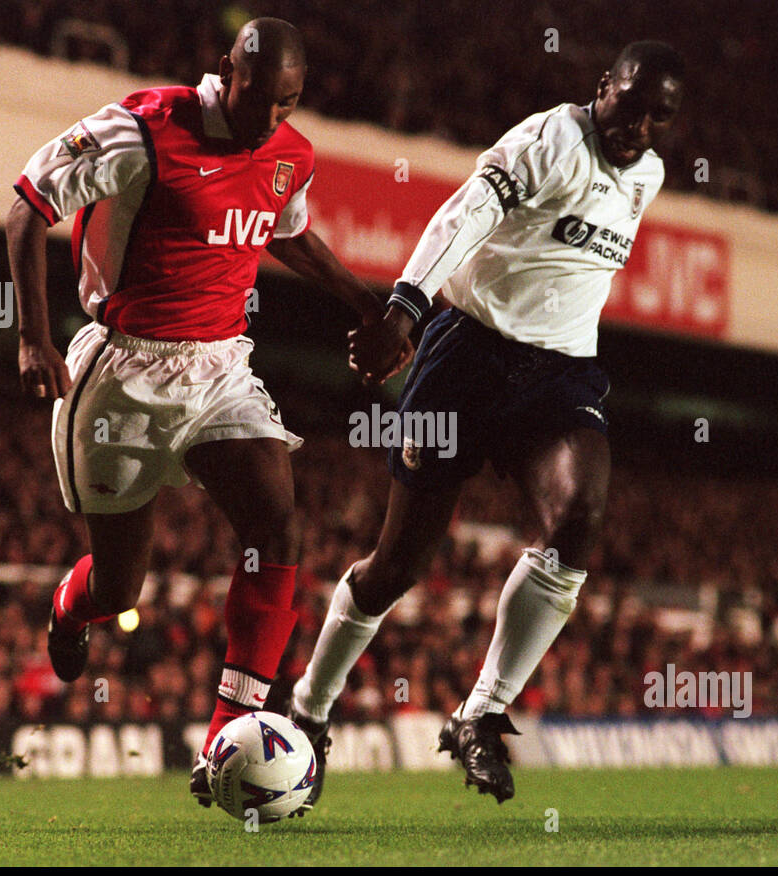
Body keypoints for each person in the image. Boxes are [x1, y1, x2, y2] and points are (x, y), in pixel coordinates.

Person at [289, 41, 686, 804]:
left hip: (560, 373)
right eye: (630, 104)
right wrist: (404, 307)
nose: (638, 126)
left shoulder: (650, 174)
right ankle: (309, 710)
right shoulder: (549, 141)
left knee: (581, 515)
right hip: (465, 357)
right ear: (603, 87)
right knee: (395, 567)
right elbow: (466, 211)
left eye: (657, 117)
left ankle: (480, 711)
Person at [5, 17, 383, 811]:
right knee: (122, 585)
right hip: (121, 375)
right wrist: (34, 341)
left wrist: (361, 302)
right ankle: (73, 610)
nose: (272, 118)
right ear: (225, 71)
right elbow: (25, 210)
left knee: (279, 527)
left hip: (219, 366)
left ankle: (231, 728)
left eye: (289, 103)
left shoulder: (290, 157)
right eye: (261, 98)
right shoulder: (143, 128)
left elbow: (293, 236)